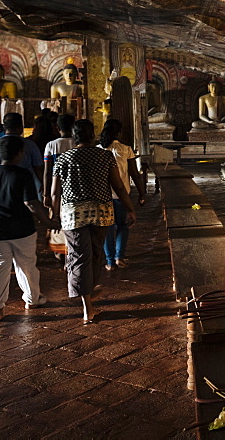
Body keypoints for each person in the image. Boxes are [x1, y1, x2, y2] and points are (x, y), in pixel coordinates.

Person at [52, 119, 136, 323]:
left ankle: (85, 297)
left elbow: (55, 192)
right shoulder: (104, 156)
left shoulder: (63, 159)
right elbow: (117, 185)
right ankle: (87, 302)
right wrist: (130, 207)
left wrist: (54, 215)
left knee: (80, 256)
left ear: (74, 137)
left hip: (73, 215)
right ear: (92, 136)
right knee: (96, 255)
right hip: (101, 213)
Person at [0, 136, 56, 323]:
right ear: (19, 153)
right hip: (22, 228)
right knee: (27, 265)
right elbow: (31, 203)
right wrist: (47, 221)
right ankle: (32, 299)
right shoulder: (22, 175)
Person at [99, 119, 146, 270]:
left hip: (102, 196)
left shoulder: (97, 150)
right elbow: (134, 174)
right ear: (119, 132)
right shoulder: (125, 149)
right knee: (123, 226)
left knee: (107, 227)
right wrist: (142, 193)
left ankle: (110, 261)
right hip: (122, 195)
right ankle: (120, 257)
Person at [43, 113, 75, 263]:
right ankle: (71, 252)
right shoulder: (77, 143)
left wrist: (46, 193)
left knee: (58, 220)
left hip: (57, 190)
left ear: (57, 128)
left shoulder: (51, 145)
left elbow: (47, 172)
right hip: (75, 190)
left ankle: (60, 253)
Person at [0, 112, 44, 187]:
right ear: (20, 127)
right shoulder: (30, 145)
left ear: (4, 127)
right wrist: (43, 188)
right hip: (24, 187)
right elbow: (38, 168)